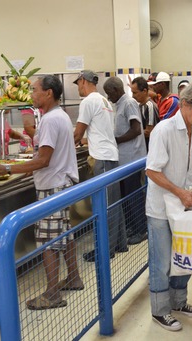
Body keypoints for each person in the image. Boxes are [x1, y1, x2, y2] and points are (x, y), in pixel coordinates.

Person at [0, 75, 82, 310]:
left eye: (35, 89)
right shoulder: (60, 116)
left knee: (48, 240)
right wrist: (27, 168)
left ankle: (52, 294)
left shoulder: (49, 120)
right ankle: (74, 277)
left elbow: (44, 160)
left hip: (53, 185)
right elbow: (44, 157)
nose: (31, 94)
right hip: (61, 183)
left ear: (49, 93)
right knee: (64, 233)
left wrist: (7, 168)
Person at [145, 81, 192, 331]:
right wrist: (180, 192)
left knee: (185, 256)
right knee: (162, 262)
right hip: (162, 208)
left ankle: (179, 301)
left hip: (183, 205)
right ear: (185, 104)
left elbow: (185, 162)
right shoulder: (164, 130)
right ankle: (160, 311)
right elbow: (152, 170)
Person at [73, 70, 128, 261]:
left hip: (102, 159)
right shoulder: (104, 101)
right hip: (111, 155)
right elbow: (100, 132)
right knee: (114, 202)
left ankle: (105, 250)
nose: (78, 88)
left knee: (104, 205)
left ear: (83, 81)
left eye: (78, 83)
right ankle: (119, 243)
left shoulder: (88, 101)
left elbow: (77, 135)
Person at [103, 76, 147, 245]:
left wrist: (116, 140)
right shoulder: (118, 104)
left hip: (132, 158)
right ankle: (131, 226)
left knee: (133, 195)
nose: (108, 97)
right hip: (123, 159)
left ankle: (141, 229)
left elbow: (136, 130)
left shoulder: (129, 103)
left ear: (116, 90)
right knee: (126, 196)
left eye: (109, 93)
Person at [130, 76, 159, 150]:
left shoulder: (150, 106)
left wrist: (132, 132)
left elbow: (149, 132)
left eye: (135, 93)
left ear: (145, 91)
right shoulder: (140, 105)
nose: (133, 96)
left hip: (150, 148)